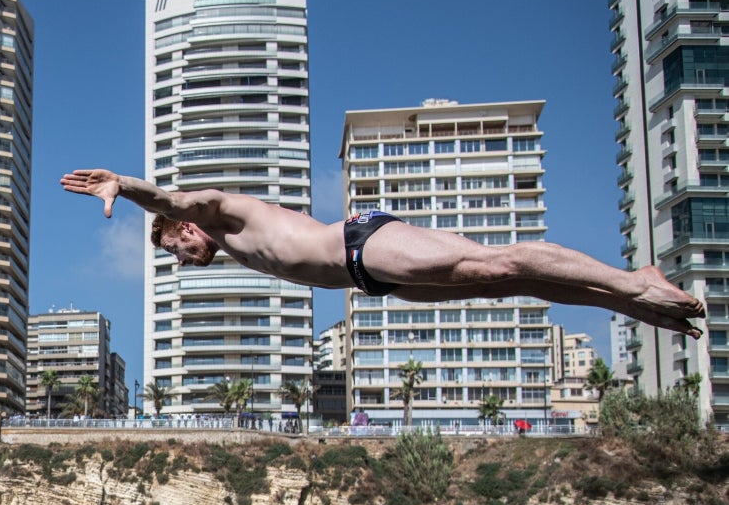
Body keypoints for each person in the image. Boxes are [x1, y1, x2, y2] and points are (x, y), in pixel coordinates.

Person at [60, 169, 704, 336]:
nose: (182, 258)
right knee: (502, 284)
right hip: (372, 278)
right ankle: (630, 303)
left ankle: (631, 279)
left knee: (494, 261)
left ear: (184, 229)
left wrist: (125, 186)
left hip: (361, 242)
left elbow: (167, 196)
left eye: (175, 249)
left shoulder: (218, 212)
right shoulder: (237, 251)